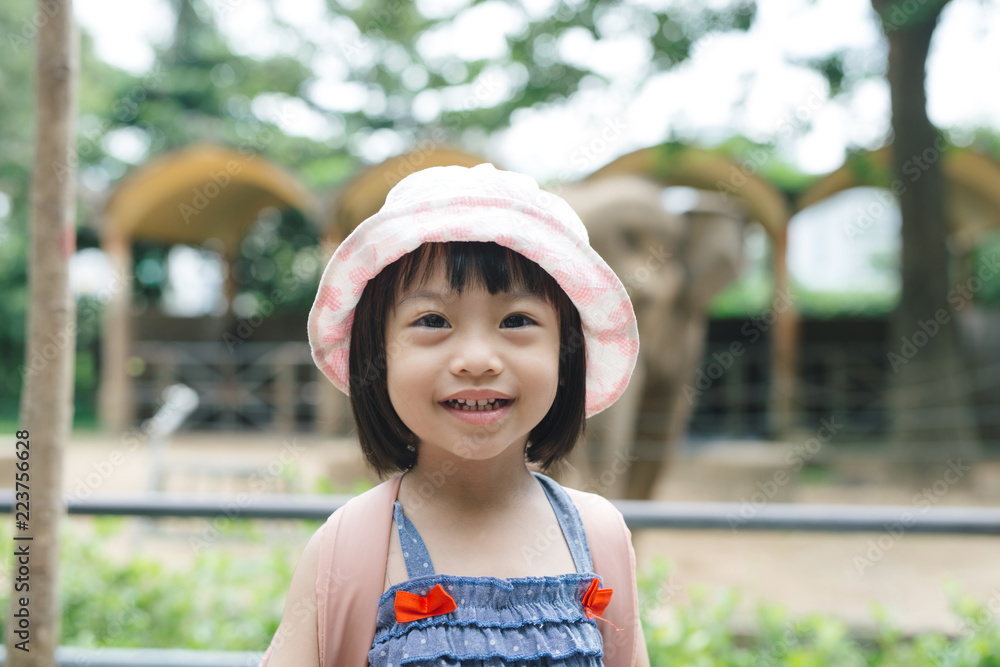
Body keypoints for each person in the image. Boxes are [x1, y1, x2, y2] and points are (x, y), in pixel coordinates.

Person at [261, 163, 649, 667]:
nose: (477, 359)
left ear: (566, 353)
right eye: (432, 320)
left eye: (517, 320)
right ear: (377, 356)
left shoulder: (598, 536)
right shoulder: (349, 547)